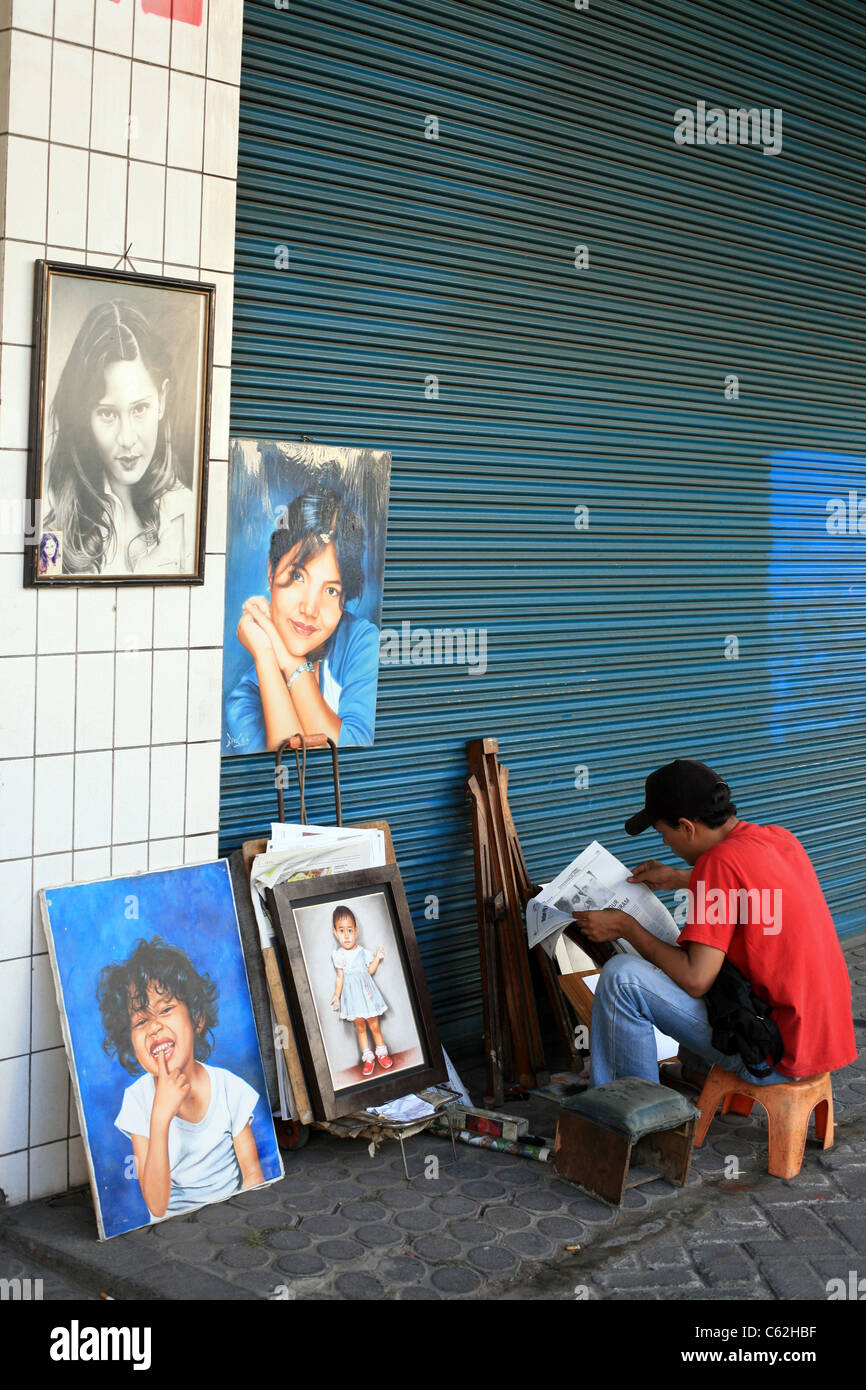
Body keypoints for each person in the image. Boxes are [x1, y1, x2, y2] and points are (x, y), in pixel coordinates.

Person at [573, 759, 857, 1090]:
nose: (666, 845)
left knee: (623, 978)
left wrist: (627, 928)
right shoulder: (778, 839)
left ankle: (632, 1110)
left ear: (687, 827)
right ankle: (698, 1075)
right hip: (821, 1041)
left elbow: (696, 980)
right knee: (710, 954)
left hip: (773, 1055)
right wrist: (678, 878)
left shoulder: (717, 865)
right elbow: (747, 885)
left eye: (664, 834)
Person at [98, 937, 265, 1221]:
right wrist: (160, 1115)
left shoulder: (228, 1088)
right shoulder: (138, 1100)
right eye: (140, 1021)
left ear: (197, 1018)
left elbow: (253, 1175)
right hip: (172, 1234)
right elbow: (156, 1205)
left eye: (165, 1010)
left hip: (234, 1219)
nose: (154, 1027)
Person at [42, 299, 196, 576]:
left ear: (161, 400)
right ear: (83, 416)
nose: (126, 439)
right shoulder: (50, 528)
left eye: (139, 409)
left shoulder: (187, 512)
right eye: (108, 414)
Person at [225, 486, 380, 750]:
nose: (309, 608)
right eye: (298, 576)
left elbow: (353, 750)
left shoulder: (360, 642)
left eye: (331, 590)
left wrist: (289, 660)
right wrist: (266, 656)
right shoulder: (245, 700)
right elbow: (288, 768)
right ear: (271, 571)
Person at [329, 904, 393, 1077]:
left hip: (366, 994)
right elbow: (340, 977)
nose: (347, 935)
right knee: (360, 1027)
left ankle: (382, 1054)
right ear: (335, 933)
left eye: (350, 930)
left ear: (356, 931)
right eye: (342, 931)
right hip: (352, 998)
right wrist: (336, 996)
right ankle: (368, 1058)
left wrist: (377, 959)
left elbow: (369, 971)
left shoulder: (362, 952)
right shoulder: (339, 955)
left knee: (374, 1025)